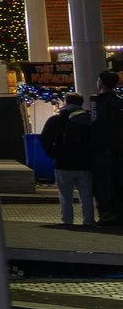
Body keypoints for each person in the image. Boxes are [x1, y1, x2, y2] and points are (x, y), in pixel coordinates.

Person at [48, 93, 97, 228]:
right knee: (87, 197)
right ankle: (88, 221)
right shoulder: (89, 120)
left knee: (65, 196)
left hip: (63, 164)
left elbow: (45, 140)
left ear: (66, 102)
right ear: (81, 104)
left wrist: (54, 154)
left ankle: (67, 221)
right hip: (85, 164)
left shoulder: (56, 120)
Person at [92, 70, 123, 233]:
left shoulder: (97, 102)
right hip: (118, 151)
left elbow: (95, 125)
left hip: (102, 152)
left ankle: (107, 216)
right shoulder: (120, 102)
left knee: (104, 185)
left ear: (101, 83)